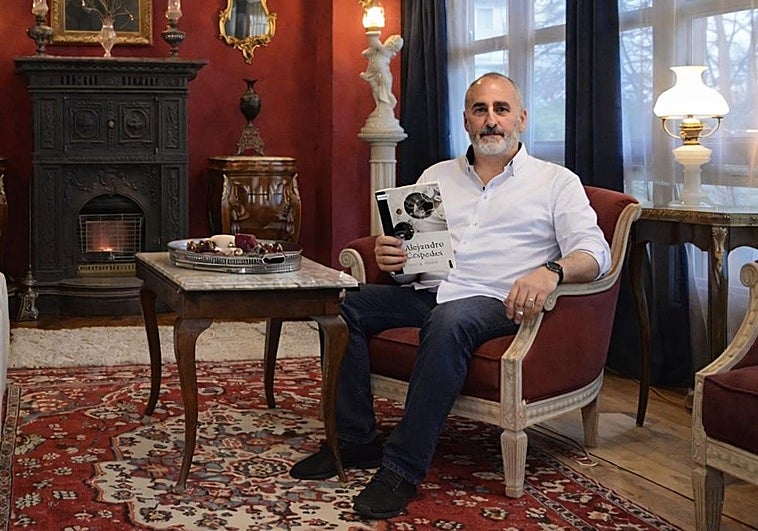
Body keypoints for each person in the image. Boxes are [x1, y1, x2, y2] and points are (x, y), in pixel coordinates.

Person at [289, 72, 611, 519]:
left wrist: (551, 271)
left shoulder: (556, 182)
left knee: (449, 320)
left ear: (521, 119)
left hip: (498, 301)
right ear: (466, 120)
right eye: (480, 110)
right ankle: (355, 439)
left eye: (501, 109)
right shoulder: (436, 176)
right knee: (341, 303)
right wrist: (394, 261)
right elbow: (415, 263)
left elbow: (595, 253)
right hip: (432, 292)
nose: (491, 120)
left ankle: (401, 468)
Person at [360, 34, 404, 113]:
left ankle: (386, 108)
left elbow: (375, 43)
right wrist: (372, 49)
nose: (390, 44)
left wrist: (373, 34)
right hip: (373, 73)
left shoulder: (386, 51)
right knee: (375, 89)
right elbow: (364, 53)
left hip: (384, 74)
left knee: (385, 91)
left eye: (392, 44)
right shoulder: (379, 50)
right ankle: (381, 108)